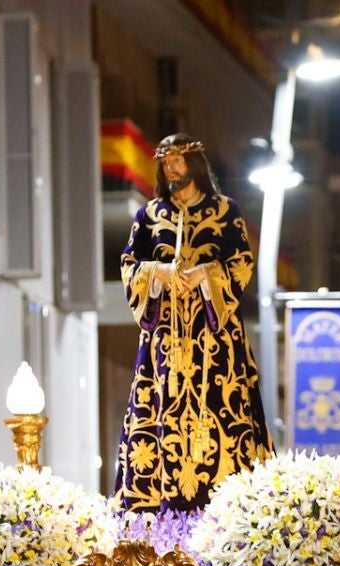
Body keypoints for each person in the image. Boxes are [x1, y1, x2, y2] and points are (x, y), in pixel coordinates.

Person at [115, 134, 271, 511]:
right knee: (155, 418)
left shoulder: (225, 210)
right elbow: (129, 265)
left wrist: (206, 274)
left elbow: (242, 263)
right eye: (165, 163)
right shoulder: (150, 216)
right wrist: (159, 273)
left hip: (215, 343)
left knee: (226, 413)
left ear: (195, 165)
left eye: (178, 162)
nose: (171, 169)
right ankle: (155, 515)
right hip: (165, 343)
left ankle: (232, 512)